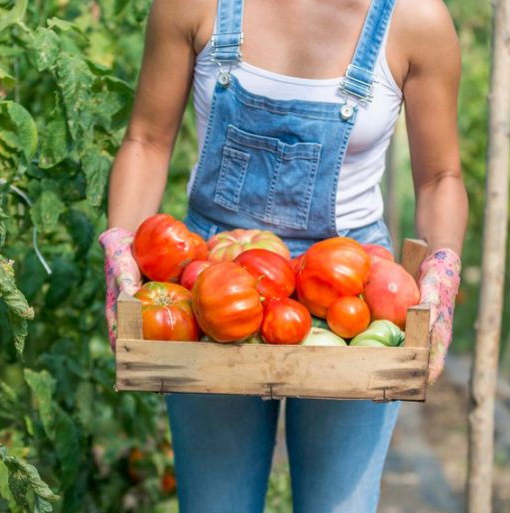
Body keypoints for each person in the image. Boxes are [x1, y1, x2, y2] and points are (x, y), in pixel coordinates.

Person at [100, 0, 467, 511]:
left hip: (352, 295)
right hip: (214, 292)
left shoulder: (414, 19)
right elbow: (146, 139)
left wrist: (442, 271)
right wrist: (122, 244)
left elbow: (440, 177)